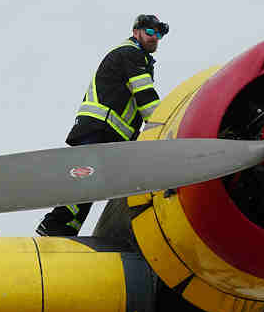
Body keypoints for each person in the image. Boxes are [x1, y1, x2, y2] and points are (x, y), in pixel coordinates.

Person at [36, 14, 168, 237]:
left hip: (107, 132)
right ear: (136, 32)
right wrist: (164, 129)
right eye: (151, 32)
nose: (155, 38)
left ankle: (63, 230)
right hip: (101, 129)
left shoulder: (138, 57)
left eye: (160, 34)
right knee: (86, 180)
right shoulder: (131, 53)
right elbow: (145, 95)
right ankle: (55, 226)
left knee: (91, 184)